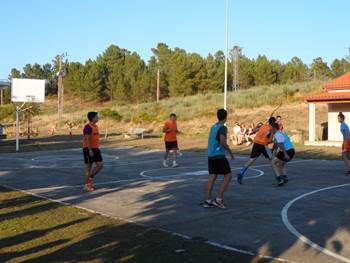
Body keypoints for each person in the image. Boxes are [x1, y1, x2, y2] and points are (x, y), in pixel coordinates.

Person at [202, 109, 235, 209]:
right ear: (226, 116)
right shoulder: (222, 128)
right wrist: (230, 152)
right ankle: (218, 200)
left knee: (213, 177)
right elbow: (222, 142)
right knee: (228, 176)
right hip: (218, 155)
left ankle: (207, 200)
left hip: (211, 155)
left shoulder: (214, 127)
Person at [237, 117, 276, 184]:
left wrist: (260, 127)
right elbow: (269, 140)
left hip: (256, 144)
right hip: (263, 145)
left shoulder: (263, 126)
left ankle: (241, 173)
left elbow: (254, 130)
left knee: (251, 160)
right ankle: (278, 177)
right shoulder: (270, 129)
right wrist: (272, 135)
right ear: (273, 123)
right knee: (272, 160)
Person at [83, 112, 103, 192]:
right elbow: (87, 139)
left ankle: (90, 178)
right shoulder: (87, 127)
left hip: (96, 148)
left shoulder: (96, 126)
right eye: (97, 117)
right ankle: (86, 185)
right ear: (92, 118)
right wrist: (90, 149)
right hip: (88, 149)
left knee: (100, 165)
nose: (98, 118)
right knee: (89, 168)